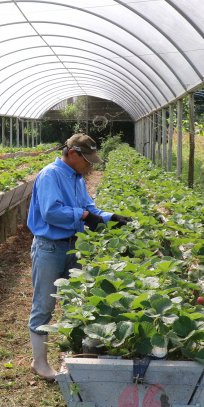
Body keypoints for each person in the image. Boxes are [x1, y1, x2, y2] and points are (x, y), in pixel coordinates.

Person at [26, 134, 131, 380]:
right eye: (87, 159)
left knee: (75, 301)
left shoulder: (76, 178)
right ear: (72, 154)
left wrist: (111, 217)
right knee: (44, 305)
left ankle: (72, 355)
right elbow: (51, 212)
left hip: (73, 246)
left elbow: (89, 208)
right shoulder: (50, 175)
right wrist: (83, 217)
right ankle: (39, 363)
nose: (90, 165)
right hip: (50, 247)